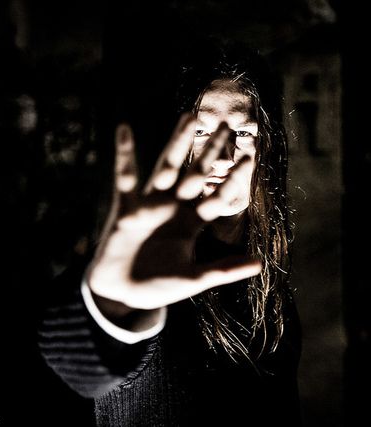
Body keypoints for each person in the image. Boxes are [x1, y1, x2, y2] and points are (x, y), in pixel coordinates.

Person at [38, 40, 302, 426]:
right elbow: (74, 364)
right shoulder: (147, 265)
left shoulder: (273, 298)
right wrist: (109, 312)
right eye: (201, 131)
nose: (223, 156)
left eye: (243, 133)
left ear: (268, 150)